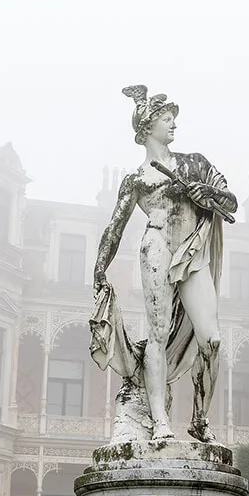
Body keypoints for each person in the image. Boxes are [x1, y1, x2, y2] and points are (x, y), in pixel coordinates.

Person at [92, 85, 237, 442]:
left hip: (192, 252)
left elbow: (230, 203)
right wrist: (100, 267)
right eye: (165, 119)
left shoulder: (194, 163)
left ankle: (199, 419)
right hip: (157, 245)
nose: (173, 125)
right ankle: (160, 422)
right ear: (146, 128)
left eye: (173, 118)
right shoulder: (137, 180)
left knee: (212, 339)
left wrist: (211, 195)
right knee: (156, 334)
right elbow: (115, 227)